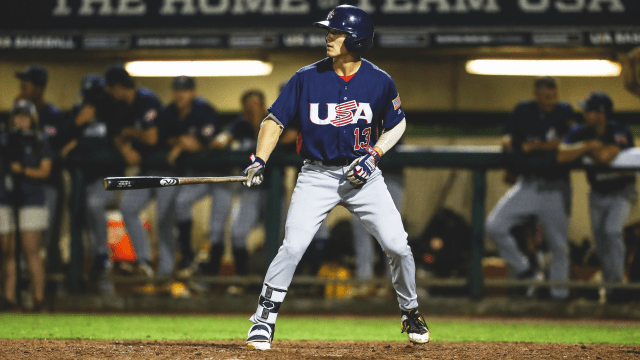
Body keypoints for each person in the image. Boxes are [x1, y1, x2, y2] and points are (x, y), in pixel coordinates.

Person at [241, 5, 430, 350]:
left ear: (356, 39)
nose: (328, 37)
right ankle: (263, 320)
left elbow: (397, 122)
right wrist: (260, 159)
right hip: (317, 174)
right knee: (293, 245)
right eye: (330, 32)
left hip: (364, 176)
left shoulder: (379, 80)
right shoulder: (306, 77)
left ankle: (410, 310)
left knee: (398, 246)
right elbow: (274, 121)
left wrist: (375, 155)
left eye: (336, 33)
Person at [485, 76, 576, 301]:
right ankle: (526, 271)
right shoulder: (524, 110)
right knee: (495, 225)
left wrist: (536, 147)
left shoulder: (564, 111)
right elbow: (508, 142)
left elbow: (572, 141)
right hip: (529, 183)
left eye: (554, 96)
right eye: (546, 96)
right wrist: (522, 151)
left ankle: (559, 296)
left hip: (556, 185)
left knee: (558, 245)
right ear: (536, 94)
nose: (551, 101)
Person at [557, 92, 636, 303]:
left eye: (590, 110)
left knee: (612, 231)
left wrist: (587, 150)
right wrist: (588, 146)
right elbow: (561, 155)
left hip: (621, 191)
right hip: (598, 193)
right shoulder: (581, 131)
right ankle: (611, 291)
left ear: (601, 114)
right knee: (601, 243)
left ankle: (617, 286)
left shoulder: (619, 129)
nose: (585, 113)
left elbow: (604, 157)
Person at [118, 76, 197, 280]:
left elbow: (157, 137)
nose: (179, 93)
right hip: (146, 169)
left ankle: (165, 272)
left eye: (184, 89)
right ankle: (144, 260)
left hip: (169, 173)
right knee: (127, 207)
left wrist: (180, 144)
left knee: (164, 221)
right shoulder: (165, 111)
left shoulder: (176, 112)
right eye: (176, 89)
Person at [60, 74, 126, 293]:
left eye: (94, 95)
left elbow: (119, 142)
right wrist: (78, 123)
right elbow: (59, 142)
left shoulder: (113, 111)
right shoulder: (77, 113)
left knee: (94, 205)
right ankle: (97, 279)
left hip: (109, 178)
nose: (90, 100)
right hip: (83, 180)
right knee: (83, 225)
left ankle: (101, 255)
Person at [0, 100, 52, 311]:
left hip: (31, 199)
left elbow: (45, 170)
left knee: (31, 249)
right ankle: (9, 298)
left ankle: (38, 298)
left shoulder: (39, 140)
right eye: (18, 115)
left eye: (25, 115)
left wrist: (21, 170)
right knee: (8, 250)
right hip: (5, 198)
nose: (21, 120)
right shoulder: (4, 140)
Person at [14, 65, 66, 266]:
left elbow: (61, 145)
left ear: (39, 89)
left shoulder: (53, 115)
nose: (22, 90)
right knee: (20, 239)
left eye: (26, 86)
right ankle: (22, 285)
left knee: (48, 236)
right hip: (21, 185)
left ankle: (51, 285)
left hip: (49, 184)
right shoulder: (17, 116)